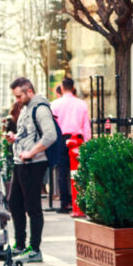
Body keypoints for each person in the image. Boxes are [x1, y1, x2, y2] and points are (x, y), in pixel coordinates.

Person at [6, 77, 57, 262]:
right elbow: (28, 133)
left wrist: (31, 153)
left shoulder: (40, 108)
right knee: (14, 203)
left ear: (29, 91)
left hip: (33, 163)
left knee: (33, 206)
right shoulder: (26, 108)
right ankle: (20, 244)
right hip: (21, 163)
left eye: (19, 96)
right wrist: (15, 137)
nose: (17, 100)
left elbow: (50, 135)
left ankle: (34, 249)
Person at [51, 76, 91, 213]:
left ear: (62, 88)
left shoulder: (55, 104)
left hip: (61, 139)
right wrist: (87, 141)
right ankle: (79, 202)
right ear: (73, 88)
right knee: (78, 172)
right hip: (78, 139)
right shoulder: (82, 104)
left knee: (62, 173)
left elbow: (53, 126)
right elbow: (86, 126)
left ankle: (65, 202)